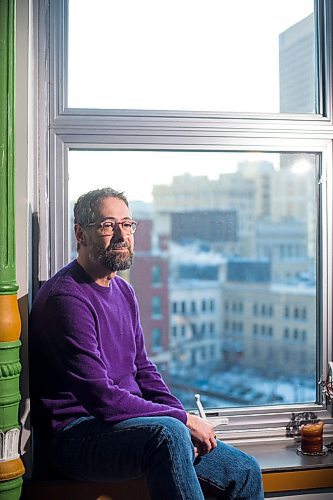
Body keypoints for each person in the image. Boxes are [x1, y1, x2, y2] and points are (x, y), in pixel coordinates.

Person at [29, 187, 264, 500]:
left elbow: (144, 370)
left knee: (244, 470)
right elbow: (102, 399)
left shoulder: (123, 292)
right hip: (73, 437)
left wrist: (179, 414)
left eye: (127, 224)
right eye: (107, 225)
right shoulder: (67, 298)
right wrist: (182, 420)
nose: (121, 234)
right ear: (80, 234)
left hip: (125, 429)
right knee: (170, 434)